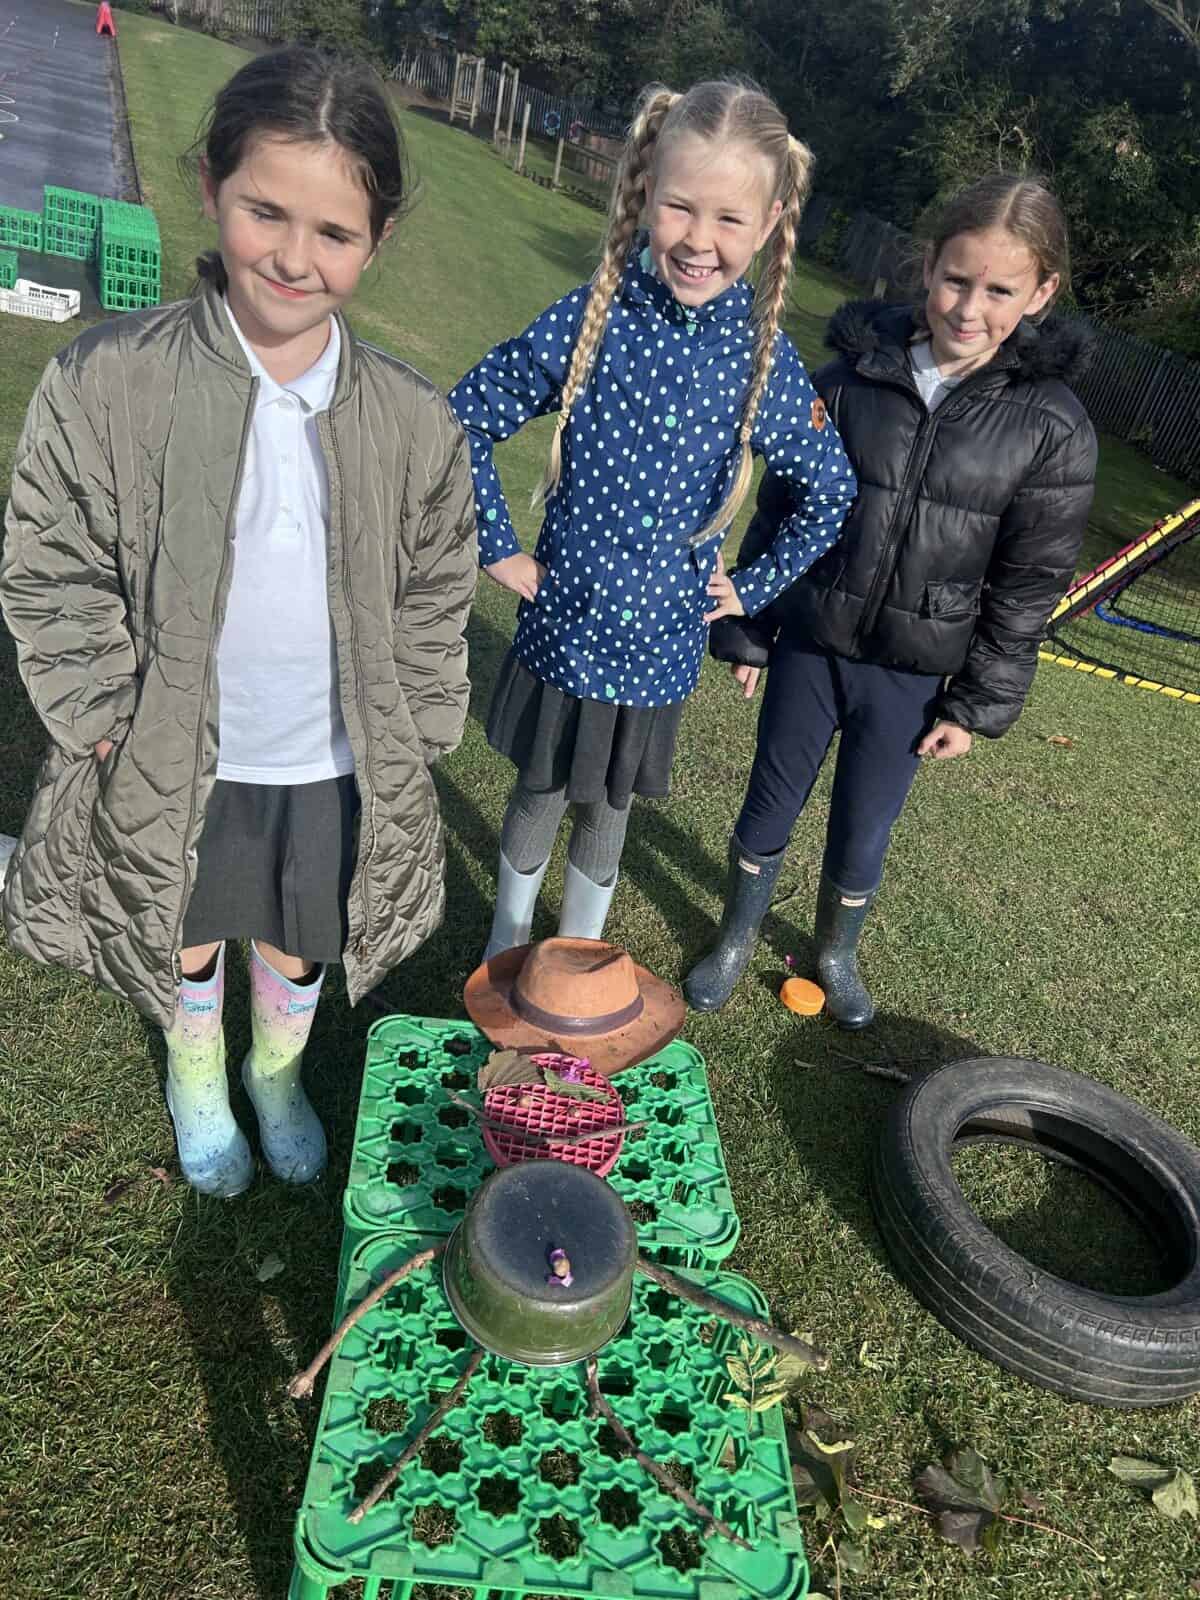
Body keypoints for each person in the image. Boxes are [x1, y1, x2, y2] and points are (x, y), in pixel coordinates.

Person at [0, 47, 477, 1196]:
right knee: (190, 920)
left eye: (335, 232)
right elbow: (51, 552)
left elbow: (436, 584)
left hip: (326, 756)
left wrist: (418, 718)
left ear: (376, 241)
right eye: (268, 211)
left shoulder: (415, 421)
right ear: (213, 185)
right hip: (174, 748)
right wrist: (102, 707)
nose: (295, 256)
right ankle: (199, 1075)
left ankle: (274, 1072)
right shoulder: (109, 379)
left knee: (301, 930)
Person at [449, 78, 856, 961]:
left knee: (608, 808)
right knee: (539, 792)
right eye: (679, 207)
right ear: (645, 191)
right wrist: (498, 549)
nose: (699, 241)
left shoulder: (761, 361)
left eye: (729, 219)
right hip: (563, 630)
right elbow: (466, 415)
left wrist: (750, 588)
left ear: (770, 222)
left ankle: (578, 964)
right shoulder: (592, 318)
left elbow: (831, 489)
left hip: (658, 651)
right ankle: (503, 951)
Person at [686, 173, 1098, 1025]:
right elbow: (783, 507)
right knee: (769, 801)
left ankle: (836, 953)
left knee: (863, 827)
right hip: (811, 644)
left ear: (1041, 293)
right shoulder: (847, 380)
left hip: (912, 675)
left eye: (1000, 291)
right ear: (929, 265)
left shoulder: (1052, 427)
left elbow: (1028, 586)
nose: (969, 308)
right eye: (956, 279)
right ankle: (734, 936)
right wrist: (750, 630)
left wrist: (975, 703)